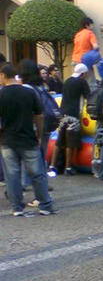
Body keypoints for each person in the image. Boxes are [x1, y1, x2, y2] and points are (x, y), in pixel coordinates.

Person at [0, 62, 55, 216]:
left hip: (7, 141)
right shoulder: (29, 92)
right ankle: (45, 205)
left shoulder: (1, 94)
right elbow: (39, 115)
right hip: (28, 138)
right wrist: (39, 134)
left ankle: (17, 207)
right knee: (37, 174)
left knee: (12, 175)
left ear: (3, 75)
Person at [48, 63, 90, 177]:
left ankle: (52, 165)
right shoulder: (82, 82)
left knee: (59, 141)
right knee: (70, 143)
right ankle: (68, 167)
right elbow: (88, 96)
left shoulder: (67, 81)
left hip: (63, 114)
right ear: (83, 73)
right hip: (73, 115)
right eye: (86, 74)